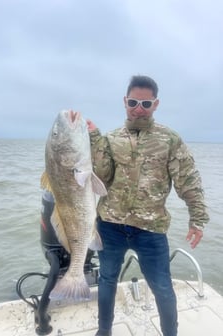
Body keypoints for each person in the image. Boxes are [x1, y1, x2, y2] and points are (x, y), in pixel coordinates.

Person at [87, 75, 209, 336]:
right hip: (109, 226)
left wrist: (197, 219)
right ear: (124, 102)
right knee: (107, 279)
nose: (138, 108)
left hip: (151, 229)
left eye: (145, 103)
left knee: (162, 287)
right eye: (133, 102)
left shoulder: (169, 139)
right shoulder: (110, 138)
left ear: (156, 104)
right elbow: (102, 177)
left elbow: (188, 181)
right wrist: (95, 138)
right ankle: (104, 330)